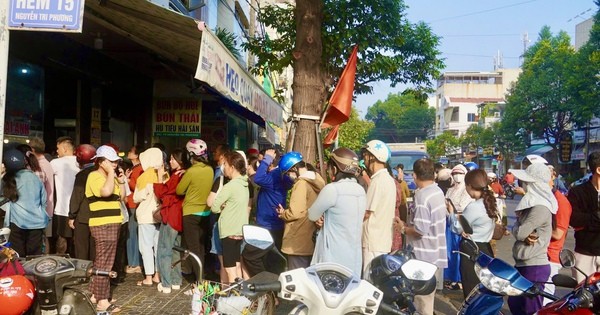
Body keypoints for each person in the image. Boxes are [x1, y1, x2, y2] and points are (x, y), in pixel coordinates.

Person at [394, 158, 447, 315]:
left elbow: (420, 230)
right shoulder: (437, 191)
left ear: (415, 176)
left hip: (423, 256)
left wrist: (403, 228)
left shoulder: (422, 196)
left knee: (421, 303)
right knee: (427, 299)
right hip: (435, 253)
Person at [507, 163, 557, 315]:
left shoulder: (540, 207)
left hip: (534, 266)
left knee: (530, 309)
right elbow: (520, 230)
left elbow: (520, 232)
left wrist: (517, 227)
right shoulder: (533, 205)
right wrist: (518, 228)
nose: (523, 185)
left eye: (526, 182)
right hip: (525, 264)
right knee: (515, 303)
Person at [309, 148, 366, 276]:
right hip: (354, 257)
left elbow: (312, 215)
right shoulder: (360, 190)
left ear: (334, 169)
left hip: (333, 257)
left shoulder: (332, 189)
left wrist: (321, 218)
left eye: (329, 168)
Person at [85, 145, 126, 313]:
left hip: (113, 222)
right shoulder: (94, 176)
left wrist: (121, 180)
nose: (115, 164)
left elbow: (121, 197)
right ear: (101, 162)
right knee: (104, 263)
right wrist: (111, 174)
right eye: (111, 161)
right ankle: (102, 300)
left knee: (103, 261)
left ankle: (95, 294)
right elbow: (106, 192)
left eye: (116, 161)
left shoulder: (112, 177)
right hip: (103, 223)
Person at [276, 152, 325, 270]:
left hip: (298, 239)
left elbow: (295, 212)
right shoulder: (317, 181)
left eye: (288, 173)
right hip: (311, 237)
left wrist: (283, 214)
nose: (289, 176)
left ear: (294, 168)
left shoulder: (301, 184)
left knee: (298, 277)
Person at [451, 169, 496, 298]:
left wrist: (451, 214)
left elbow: (457, 228)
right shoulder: (490, 203)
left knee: (472, 292)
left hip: (472, 252)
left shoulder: (474, 206)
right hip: (486, 249)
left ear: (470, 186)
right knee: (484, 292)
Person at [176, 139, 214, 280]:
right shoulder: (210, 169)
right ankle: (201, 276)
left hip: (190, 214)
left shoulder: (191, 172)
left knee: (193, 248)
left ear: (190, 154)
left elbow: (179, 190)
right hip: (205, 212)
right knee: (201, 246)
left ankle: (198, 281)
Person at [210, 151, 250, 282]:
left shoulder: (230, 186)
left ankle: (234, 298)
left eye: (225, 164)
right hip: (240, 231)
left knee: (229, 269)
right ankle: (240, 297)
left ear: (232, 167)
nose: (224, 167)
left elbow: (214, 207)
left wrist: (224, 206)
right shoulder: (245, 185)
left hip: (228, 232)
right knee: (237, 266)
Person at [2, 149, 48, 257]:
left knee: (17, 257)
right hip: (37, 223)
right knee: (34, 259)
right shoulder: (35, 178)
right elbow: (44, 201)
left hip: (17, 223)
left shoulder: (7, 180)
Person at [154, 149, 187, 294]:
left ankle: (166, 283)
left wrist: (160, 178)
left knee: (164, 249)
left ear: (179, 161)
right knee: (175, 249)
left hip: (170, 215)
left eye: (173, 159)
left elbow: (163, 193)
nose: (170, 162)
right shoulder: (185, 175)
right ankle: (176, 281)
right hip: (179, 216)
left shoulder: (176, 176)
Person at [360, 140, 396, 274]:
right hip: (382, 239)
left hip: (373, 241)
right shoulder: (388, 179)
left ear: (373, 157)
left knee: (370, 280)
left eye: (365, 155)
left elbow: (366, 213)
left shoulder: (377, 181)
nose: (364, 158)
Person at [133, 147, 164, 287]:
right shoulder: (164, 175)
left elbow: (136, 198)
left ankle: (148, 277)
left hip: (146, 217)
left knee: (146, 247)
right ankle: (158, 275)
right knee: (158, 247)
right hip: (160, 216)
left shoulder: (143, 177)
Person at [253, 148, 293, 251]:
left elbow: (258, 178)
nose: (260, 165)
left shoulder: (273, 176)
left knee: (266, 258)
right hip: (276, 223)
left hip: (267, 225)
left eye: (262, 162)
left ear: (270, 163)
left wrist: (267, 159)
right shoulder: (280, 174)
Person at [568, 152, 600, 283]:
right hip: (584, 253)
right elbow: (574, 219)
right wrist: (595, 218)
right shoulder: (578, 192)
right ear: (598, 169)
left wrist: (589, 221)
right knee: (583, 297)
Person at [543, 165, 572, 305]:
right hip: (537, 255)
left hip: (550, 256)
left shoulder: (561, 202)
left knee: (544, 300)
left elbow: (558, 233)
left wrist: (536, 229)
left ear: (552, 177)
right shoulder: (544, 198)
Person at [444, 164, 472, 291]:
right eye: (455, 173)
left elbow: (462, 207)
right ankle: (451, 278)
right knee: (450, 252)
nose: (457, 175)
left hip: (460, 224)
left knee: (459, 252)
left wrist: (451, 209)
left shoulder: (466, 190)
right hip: (449, 223)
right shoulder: (450, 190)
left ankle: (460, 279)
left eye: (460, 173)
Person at [50, 136, 80, 255]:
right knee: (77, 239)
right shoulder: (80, 163)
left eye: (58, 148)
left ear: (65, 149)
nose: (57, 151)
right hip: (78, 208)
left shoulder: (56, 163)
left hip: (62, 209)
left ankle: (61, 262)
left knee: (62, 238)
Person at [68, 144, 97, 261]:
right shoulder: (100, 172)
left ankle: (84, 272)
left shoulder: (82, 175)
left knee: (82, 248)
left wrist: (71, 215)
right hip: (97, 215)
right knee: (95, 247)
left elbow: (77, 196)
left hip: (83, 217)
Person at [28, 138, 55, 253]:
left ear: (32, 150)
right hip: (48, 206)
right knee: (45, 238)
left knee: (41, 239)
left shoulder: (38, 166)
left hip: (41, 208)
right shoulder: (48, 164)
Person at [125, 145, 144, 274]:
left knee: (132, 234)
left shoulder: (139, 169)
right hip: (131, 203)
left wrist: (127, 180)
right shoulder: (134, 168)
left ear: (136, 155)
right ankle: (134, 262)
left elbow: (138, 186)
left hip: (133, 204)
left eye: (131, 151)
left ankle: (134, 263)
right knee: (132, 233)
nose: (128, 153)